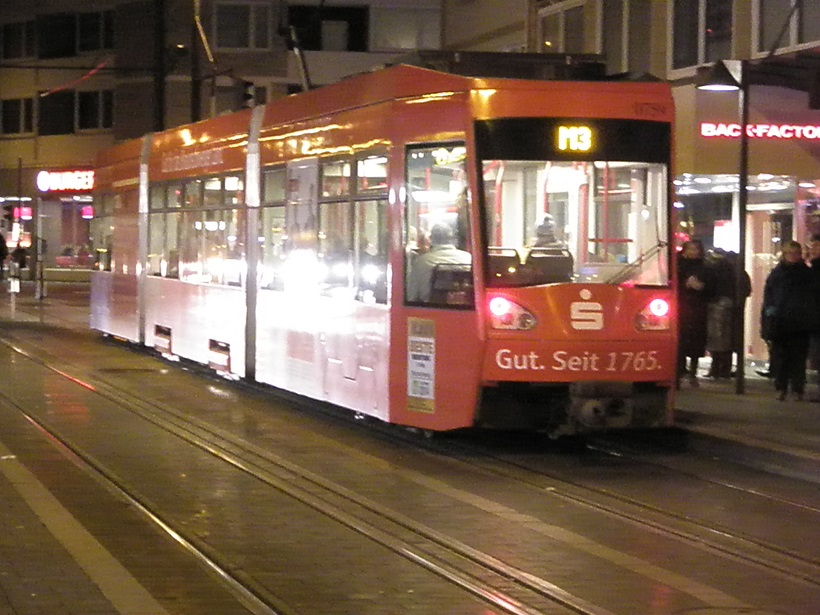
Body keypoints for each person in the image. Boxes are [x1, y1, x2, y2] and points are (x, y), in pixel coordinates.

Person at [760, 240, 820, 401]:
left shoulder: (807, 274)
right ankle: (781, 387)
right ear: (784, 254)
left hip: (800, 322)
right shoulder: (777, 274)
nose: (793, 257)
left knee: (798, 358)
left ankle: (797, 389)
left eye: (796, 253)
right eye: (790, 253)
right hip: (781, 322)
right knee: (781, 358)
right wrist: (768, 318)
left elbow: (813, 297)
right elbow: (769, 298)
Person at [705, 249, 751, 379]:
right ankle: (724, 369)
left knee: (718, 339)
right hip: (735, 309)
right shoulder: (740, 272)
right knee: (729, 340)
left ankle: (717, 369)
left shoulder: (720, 270)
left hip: (719, 305)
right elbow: (746, 290)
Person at [677, 240, 712, 388]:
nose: (693, 252)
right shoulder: (676, 265)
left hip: (698, 307)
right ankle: (678, 373)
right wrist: (684, 284)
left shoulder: (704, 267)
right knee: (680, 341)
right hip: (680, 306)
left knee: (696, 341)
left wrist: (702, 287)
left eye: (696, 249)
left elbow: (712, 287)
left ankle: (693, 373)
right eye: (690, 249)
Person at [406, 223, 471, 302]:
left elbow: (411, 296)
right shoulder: (468, 258)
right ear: (452, 239)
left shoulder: (422, 262)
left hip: (429, 311)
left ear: (431, 239)